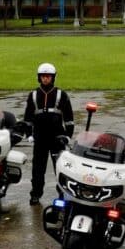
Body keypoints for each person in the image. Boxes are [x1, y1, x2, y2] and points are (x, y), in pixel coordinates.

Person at [24, 63, 74, 206]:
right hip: (39, 138)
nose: (46, 79)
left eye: (48, 76)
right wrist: (29, 134)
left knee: (61, 168)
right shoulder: (33, 95)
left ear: (53, 77)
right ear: (39, 78)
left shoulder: (61, 94)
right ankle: (36, 194)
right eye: (43, 76)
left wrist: (68, 136)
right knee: (38, 169)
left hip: (57, 138)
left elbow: (69, 118)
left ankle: (62, 193)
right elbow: (28, 117)